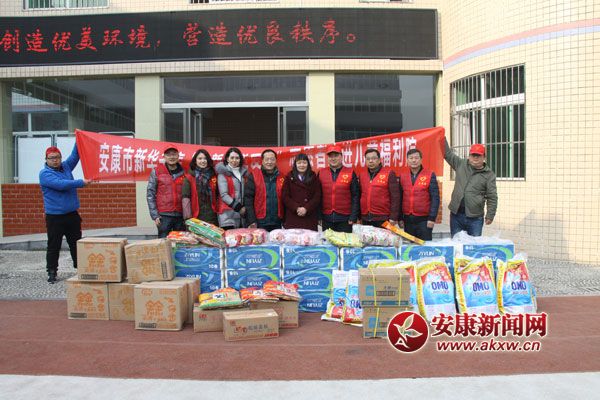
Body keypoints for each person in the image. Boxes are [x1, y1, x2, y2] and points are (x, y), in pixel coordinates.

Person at [39, 144, 92, 284]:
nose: (55, 160)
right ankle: (52, 271)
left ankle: (80, 269)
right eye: (51, 158)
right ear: (46, 159)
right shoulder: (44, 174)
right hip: (54, 217)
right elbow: (61, 184)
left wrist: (78, 139)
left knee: (76, 244)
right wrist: (81, 182)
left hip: (71, 214)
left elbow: (75, 156)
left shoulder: (66, 167)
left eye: (57, 157)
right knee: (54, 245)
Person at [444, 138, 498, 237]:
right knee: (456, 243)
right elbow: (447, 154)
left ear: (484, 157)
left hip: (475, 218)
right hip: (456, 215)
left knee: (474, 245)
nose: (475, 158)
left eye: (478, 155)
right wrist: (442, 138)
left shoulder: (489, 175)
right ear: (469, 156)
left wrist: (490, 215)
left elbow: (492, 196)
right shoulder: (461, 164)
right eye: (473, 155)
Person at [399, 148, 440, 241]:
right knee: (409, 246)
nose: (414, 160)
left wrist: (432, 218)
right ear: (407, 160)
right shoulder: (403, 176)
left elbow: (435, 198)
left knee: (425, 246)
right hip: (408, 220)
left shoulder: (429, 175)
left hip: (424, 220)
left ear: (421, 159)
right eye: (411, 158)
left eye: (416, 158)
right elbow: (400, 198)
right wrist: (400, 217)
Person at [147, 146, 187, 238]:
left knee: (181, 242)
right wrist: (155, 215)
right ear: (164, 156)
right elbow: (150, 194)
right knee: (163, 243)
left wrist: (188, 215)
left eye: (174, 154)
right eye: (168, 155)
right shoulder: (157, 171)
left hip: (181, 215)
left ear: (178, 156)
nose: (171, 157)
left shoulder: (185, 172)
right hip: (163, 216)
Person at [318, 145, 360, 233]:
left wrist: (353, 216)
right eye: (330, 156)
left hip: (345, 219)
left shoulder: (350, 172)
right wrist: (319, 216)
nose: (333, 159)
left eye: (336, 156)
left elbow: (355, 196)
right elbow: (318, 196)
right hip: (326, 218)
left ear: (341, 156)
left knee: (344, 242)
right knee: (328, 242)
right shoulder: (321, 173)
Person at [244, 149, 285, 232]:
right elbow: (248, 199)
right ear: (262, 161)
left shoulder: (282, 177)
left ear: (276, 161)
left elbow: (286, 198)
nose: (269, 162)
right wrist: (251, 220)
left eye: (272, 159)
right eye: (267, 159)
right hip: (259, 221)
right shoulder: (254, 175)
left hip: (277, 221)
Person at [358, 148, 400, 228]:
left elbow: (395, 197)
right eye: (368, 159)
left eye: (373, 158)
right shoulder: (362, 175)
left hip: (383, 218)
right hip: (365, 218)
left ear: (379, 160)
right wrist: (359, 216)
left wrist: (393, 217)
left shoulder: (389, 173)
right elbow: (359, 195)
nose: (371, 161)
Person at [282, 153, 322, 231]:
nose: (302, 165)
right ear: (295, 164)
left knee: (309, 237)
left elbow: (317, 196)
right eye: (299, 163)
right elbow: (285, 196)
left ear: (308, 164)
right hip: (293, 216)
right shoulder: (289, 177)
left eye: (304, 162)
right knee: (293, 238)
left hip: (309, 216)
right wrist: (296, 208)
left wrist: (306, 208)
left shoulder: (314, 177)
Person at [182, 148, 219, 226]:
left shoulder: (214, 176)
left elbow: (217, 195)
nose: (203, 161)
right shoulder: (189, 177)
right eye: (200, 158)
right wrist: (188, 218)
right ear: (195, 161)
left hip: (212, 216)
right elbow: (185, 198)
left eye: (205, 158)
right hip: (196, 216)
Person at [215, 147, 249, 229]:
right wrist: (239, 207)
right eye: (232, 157)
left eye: (237, 158)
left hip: (241, 216)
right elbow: (224, 195)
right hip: (227, 215)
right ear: (227, 159)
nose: (234, 160)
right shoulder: (222, 173)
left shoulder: (244, 173)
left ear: (240, 159)